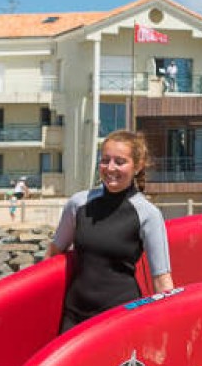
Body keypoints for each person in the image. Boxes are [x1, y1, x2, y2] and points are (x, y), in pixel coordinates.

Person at [47, 130, 172, 332]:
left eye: (120, 162)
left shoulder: (148, 214)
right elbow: (53, 254)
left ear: (137, 167)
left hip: (120, 318)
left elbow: (161, 279)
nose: (110, 168)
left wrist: (166, 331)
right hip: (74, 315)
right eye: (105, 160)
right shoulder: (78, 203)